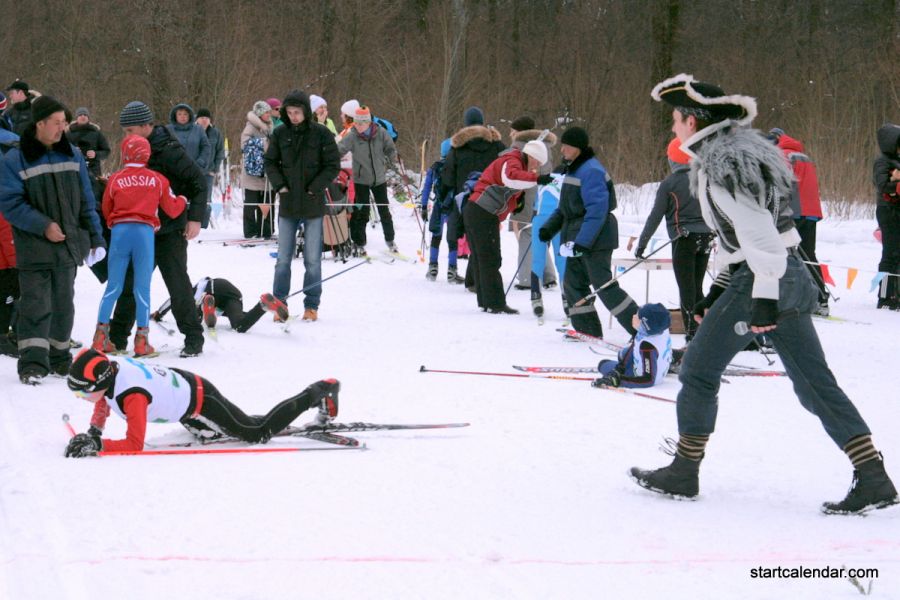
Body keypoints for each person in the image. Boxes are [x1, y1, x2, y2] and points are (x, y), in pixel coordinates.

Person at [629, 73, 898, 515]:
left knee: (696, 370)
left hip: (765, 278)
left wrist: (762, 300)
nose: (672, 128)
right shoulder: (741, 160)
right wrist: (717, 292)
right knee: (815, 386)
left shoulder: (721, 170)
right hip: (785, 277)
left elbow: (764, 245)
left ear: (694, 122)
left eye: (676, 119)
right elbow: (756, 237)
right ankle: (873, 476)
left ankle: (684, 469)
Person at [0, 96, 106, 383]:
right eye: (57, 123)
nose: (62, 128)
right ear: (40, 124)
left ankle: (59, 358)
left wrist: (96, 238)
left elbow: (87, 200)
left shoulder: (72, 155)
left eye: (64, 123)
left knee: (63, 304)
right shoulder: (14, 158)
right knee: (35, 305)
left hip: (68, 245)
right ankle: (33, 364)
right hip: (33, 247)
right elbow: (9, 203)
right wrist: (43, 225)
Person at [63, 348, 341, 456]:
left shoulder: (132, 397)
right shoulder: (112, 370)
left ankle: (319, 391)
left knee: (256, 433)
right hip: (186, 390)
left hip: (199, 401)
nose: (83, 399)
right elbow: (104, 401)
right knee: (234, 425)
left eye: (82, 393)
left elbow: (134, 445)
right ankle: (249, 420)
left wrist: (98, 445)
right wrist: (94, 431)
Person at [113, 100, 208, 357]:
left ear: (146, 126)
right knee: (130, 283)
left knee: (177, 284)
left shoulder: (169, 150)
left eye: (130, 130)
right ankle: (117, 337)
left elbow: (198, 182)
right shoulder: (133, 150)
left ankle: (193, 337)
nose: (127, 136)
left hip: (170, 230)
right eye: (124, 131)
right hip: (142, 230)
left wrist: (195, 218)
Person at [538, 126, 639, 338]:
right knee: (573, 284)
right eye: (563, 145)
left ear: (578, 148)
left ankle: (641, 328)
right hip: (576, 238)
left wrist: (583, 242)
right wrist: (549, 228)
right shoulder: (573, 170)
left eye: (567, 146)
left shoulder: (591, 170)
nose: (563, 149)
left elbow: (597, 211)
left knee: (604, 286)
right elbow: (566, 209)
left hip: (595, 239)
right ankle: (587, 330)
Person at [92, 135, 186, 358]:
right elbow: (172, 209)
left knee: (113, 287)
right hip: (144, 233)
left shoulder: (115, 179)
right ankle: (142, 342)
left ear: (125, 153)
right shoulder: (157, 179)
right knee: (141, 288)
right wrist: (182, 199)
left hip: (120, 232)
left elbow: (107, 208)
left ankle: (100, 339)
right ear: (147, 154)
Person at [264, 90, 340, 323]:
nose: (293, 116)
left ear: (306, 112)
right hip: (287, 204)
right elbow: (270, 162)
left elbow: (332, 165)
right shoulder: (280, 133)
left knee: (312, 259)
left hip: (313, 204)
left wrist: (314, 188)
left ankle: (311, 305)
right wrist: (280, 186)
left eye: (297, 112)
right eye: (289, 112)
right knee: (283, 259)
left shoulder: (322, 134)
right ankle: (279, 302)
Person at [635, 138, 714, 341]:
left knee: (687, 288)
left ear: (673, 159)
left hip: (684, 239)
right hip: (706, 237)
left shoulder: (669, 184)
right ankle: (704, 330)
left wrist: (642, 244)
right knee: (697, 287)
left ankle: (692, 335)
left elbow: (655, 216)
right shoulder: (705, 179)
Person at [463, 140, 550, 313]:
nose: (537, 166)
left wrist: (516, 202)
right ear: (531, 155)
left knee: (482, 258)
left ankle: (486, 302)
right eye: (537, 161)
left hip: (478, 211)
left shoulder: (516, 161)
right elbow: (510, 177)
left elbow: (508, 186)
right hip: (482, 211)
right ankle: (495, 304)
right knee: (491, 258)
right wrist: (537, 179)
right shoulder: (513, 160)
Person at [441, 106, 506, 285]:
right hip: (492, 198)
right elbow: (506, 168)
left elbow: (448, 177)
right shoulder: (497, 145)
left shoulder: (457, 148)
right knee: (489, 238)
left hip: (466, 199)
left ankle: (474, 279)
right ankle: (476, 279)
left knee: (473, 237)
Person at [769, 127, 829, 315]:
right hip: (811, 212)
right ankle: (821, 299)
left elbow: (780, 186)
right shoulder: (803, 156)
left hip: (793, 212)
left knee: (787, 255)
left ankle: (792, 299)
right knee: (809, 255)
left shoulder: (782, 155)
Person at [338, 106, 400, 256]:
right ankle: (359, 242)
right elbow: (339, 149)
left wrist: (392, 160)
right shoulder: (352, 136)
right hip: (361, 181)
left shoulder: (381, 133)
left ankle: (390, 240)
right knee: (361, 211)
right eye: (355, 123)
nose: (357, 126)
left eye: (360, 123)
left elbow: (391, 149)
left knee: (384, 210)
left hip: (379, 180)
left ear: (368, 123)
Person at [507, 116, 558, 292]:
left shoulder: (519, 147)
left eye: (513, 131)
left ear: (520, 132)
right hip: (543, 196)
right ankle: (549, 275)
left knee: (525, 234)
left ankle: (526, 277)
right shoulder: (544, 146)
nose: (510, 134)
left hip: (525, 196)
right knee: (537, 235)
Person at [152, 277, 289, 333]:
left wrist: (159, 313)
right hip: (230, 292)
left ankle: (207, 303)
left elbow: (172, 299)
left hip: (211, 290)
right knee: (239, 324)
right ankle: (263, 304)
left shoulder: (188, 292)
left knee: (195, 318)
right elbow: (172, 299)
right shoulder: (194, 287)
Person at [592, 303, 672, 389]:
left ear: (645, 325)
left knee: (602, 364)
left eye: (637, 317)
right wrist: (619, 368)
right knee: (623, 354)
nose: (634, 316)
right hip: (652, 361)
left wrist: (618, 379)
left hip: (639, 376)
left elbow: (648, 380)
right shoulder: (657, 329)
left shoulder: (647, 347)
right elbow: (635, 346)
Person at [873, 123, 900, 310]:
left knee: (897, 255)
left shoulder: (896, 161)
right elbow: (882, 186)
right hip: (887, 210)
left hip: (897, 209)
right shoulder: (882, 161)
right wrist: (895, 181)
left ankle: (896, 294)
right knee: (889, 254)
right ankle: (884, 296)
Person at [241, 100, 275, 239]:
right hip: (253, 172)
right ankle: (250, 231)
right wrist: (264, 143)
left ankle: (266, 230)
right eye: (266, 112)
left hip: (267, 172)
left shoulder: (270, 126)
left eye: (269, 111)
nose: (269, 114)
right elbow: (244, 145)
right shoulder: (250, 127)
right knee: (251, 203)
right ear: (260, 114)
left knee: (267, 202)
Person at [196, 108, 226, 229]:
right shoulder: (192, 131)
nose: (204, 120)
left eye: (207, 118)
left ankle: (204, 226)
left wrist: (215, 169)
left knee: (206, 199)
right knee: (190, 198)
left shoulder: (215, 133)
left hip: (209, 172)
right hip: (193, 171)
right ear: (197, 119)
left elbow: (220, 152)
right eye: (202, 118)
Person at [66, 107, 111, 182]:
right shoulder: (69, 134)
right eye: (80, 115)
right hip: (74, 171)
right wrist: (72, 151)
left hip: (94, 171)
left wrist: (95, 154)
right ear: (77, 118)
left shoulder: (96, 133)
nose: (83, 116)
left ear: (88, 118)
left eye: (85, 115)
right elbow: (61, 151)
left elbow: (106, 151)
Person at [168, 103, 211, 173]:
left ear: (190, 115)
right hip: (173, 171)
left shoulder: (198, 129)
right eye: (179, 114)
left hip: (195, 171)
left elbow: (206, 147)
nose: (182, 116)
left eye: (185, 114)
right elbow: (161, 148)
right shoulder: (167, 130)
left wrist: (201, 162)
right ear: (175, 116)